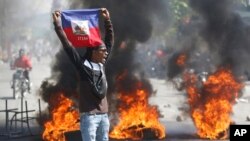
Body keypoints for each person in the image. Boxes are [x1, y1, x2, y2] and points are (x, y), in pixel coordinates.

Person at [52, 8, 114, 141]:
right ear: (93, 52)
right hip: (89, 117)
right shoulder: (83, 66)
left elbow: (109, 42)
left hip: (103, 116)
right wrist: (57, 24)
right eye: (102, 51)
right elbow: (67, 45)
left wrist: (107, 20)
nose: (105, 53)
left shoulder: (101, 64)